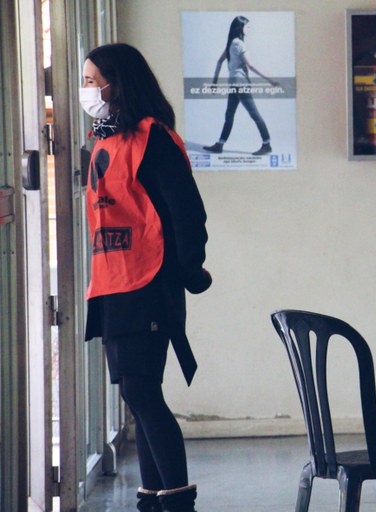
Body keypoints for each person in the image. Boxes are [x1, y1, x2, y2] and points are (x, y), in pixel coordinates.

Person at [81, 43, 212, 512]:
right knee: (136, 394)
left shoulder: (152, 137)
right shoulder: (104, 140)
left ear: (118, 84)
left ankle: (175, 500)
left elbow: (187, 211)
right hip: (111, 281)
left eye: (92, 82)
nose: (86, 90)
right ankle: (154, 498)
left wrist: (188, 269)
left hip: (147, 281)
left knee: (140, 390)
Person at [202, 15, 279, 156]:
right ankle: (265, 144)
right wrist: (270, 79)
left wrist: (214, 83)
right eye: (247, 27)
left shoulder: (231, 43)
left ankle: (221, 144)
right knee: (251, 114)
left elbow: (219, 62)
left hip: (234, 84)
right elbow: (251, 66)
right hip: (240, 84)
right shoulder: (239, 44)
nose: (249, 29)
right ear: (240, 28)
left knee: (232, 115)